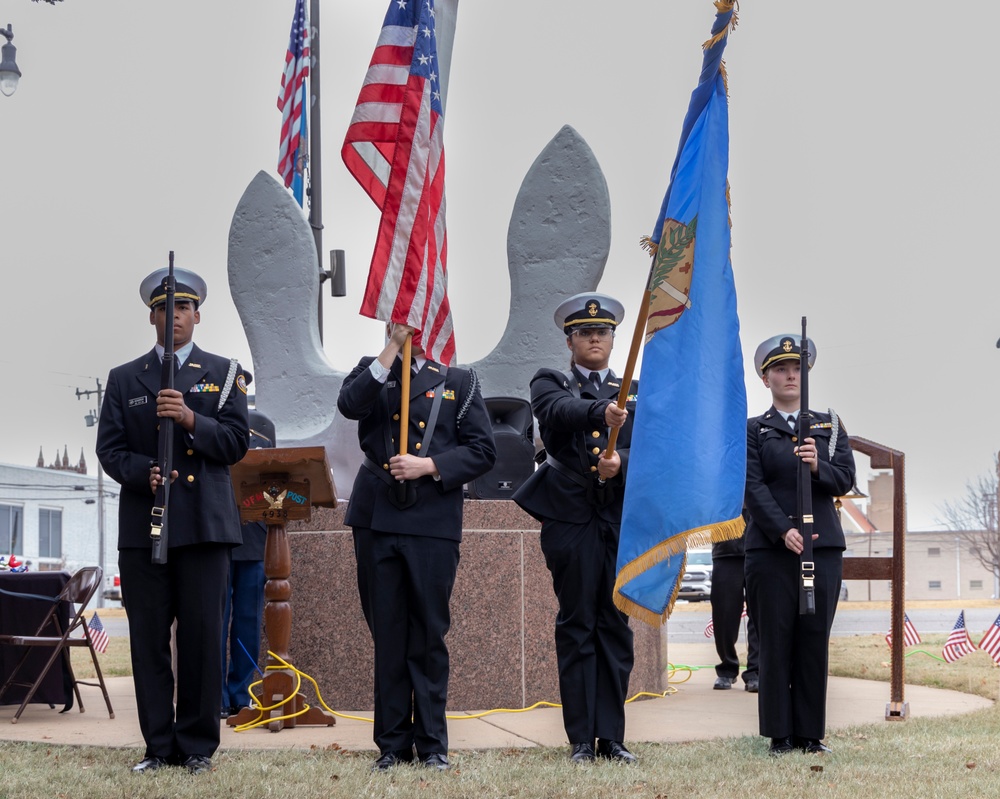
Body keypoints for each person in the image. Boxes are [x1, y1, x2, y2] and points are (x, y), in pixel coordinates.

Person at [96, 267, 249, 775]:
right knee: (148, 640)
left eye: (182, 308)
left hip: (203, 526)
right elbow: (110, 450)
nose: (173, 316)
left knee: (204, 638)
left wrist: (190, 419)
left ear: (197, 316)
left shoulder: (224, 372)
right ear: (151, 317)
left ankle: (199, 747)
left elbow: (234, 443)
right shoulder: (124, 378)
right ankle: (158, 747)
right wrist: (146, 473)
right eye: (163, 308)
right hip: (145, 527)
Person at [336, 323, 496, 773]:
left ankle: (431, 745)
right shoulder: (373, 372)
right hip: (377, 515)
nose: (408, 327)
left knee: (427, 633)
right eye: (398, 320)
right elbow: (350, 405)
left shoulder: (458, 380)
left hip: (432, 517)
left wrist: (429, 465)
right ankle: (391, 745)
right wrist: (390, 350)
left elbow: (483, 451)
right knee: (387, 633)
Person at [512, 293, 638, 764]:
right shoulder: (551, 381)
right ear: (569, 340)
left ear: (611, 338)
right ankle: (582, 739)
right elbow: (556, 412)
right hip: (570, 518)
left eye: (601, 332)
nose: (593, 339)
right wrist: (600, 414)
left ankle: (613, 736)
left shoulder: (635, 388)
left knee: (614, 626)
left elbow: (653, 448)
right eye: (584, 333)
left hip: (617, 519)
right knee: (578, 624)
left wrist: (619, 463)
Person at [743, 334, 856, 756]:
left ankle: (811, 734)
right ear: (766, 378)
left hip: (822, 548)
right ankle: (780, 735)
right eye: (780, 370)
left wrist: (817, 465)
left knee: (813, 640)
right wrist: (780, 530)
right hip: (772, 551)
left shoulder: (830, 425)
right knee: (775, 639)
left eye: (797, 369)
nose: (790, 375)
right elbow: (750, 486)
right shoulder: (754, 429)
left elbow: (845, 479)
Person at [220, 408, 275, 717]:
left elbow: (275, 472)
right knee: (213, 622)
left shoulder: (263, 426)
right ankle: (214, 697)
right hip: (216, 534)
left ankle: (240, 695)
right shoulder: (208, 420)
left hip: (254, 535)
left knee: (247, 623)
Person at [710, 531, 759, 692]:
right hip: (726, 547)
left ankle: (756, 671)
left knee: (760, 614)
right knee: (723, 613)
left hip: (761, 546)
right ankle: (727, 667)